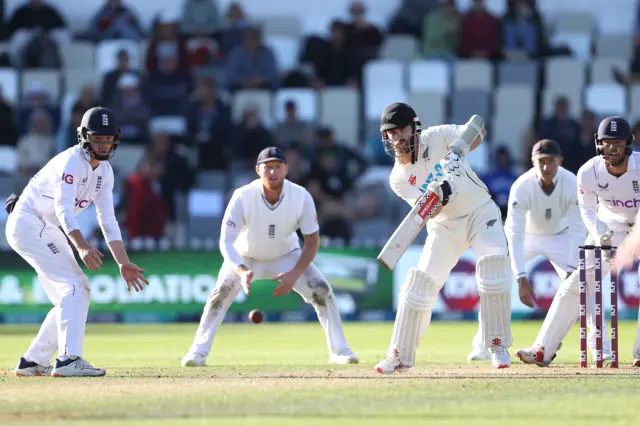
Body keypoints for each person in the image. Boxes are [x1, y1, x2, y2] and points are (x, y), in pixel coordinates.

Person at [181, 147, 359, 367]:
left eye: (277, 167)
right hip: (246, 257)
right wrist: (241, 270)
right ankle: (197, 352)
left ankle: (340, 351)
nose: (272, 173)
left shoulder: (301, 196)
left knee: (322, 290)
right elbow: (225, 241)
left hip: (287, 256)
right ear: (258, 170)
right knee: (219, 294)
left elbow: (312, 242)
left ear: (286, 169)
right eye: (267, 168)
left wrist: (294, 275)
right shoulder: (243, 196)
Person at [5, 107, 148, 377]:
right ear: (84, 137)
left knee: (68, 297)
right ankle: (68, 359)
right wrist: (82, 246)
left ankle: (33, 361)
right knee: (76, 287)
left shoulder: (105, 172)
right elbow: (63, 209)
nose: (103, 144)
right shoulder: (72, 162)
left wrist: (123, 262)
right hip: (29, 222)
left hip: (42, 227)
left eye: (108, 139)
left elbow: (107, 220)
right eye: (97, 138)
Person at [374, 103, 514, 374]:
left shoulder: (438, 136)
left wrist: (457, 152)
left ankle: (496, 345)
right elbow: (428, 210)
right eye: (391, 133)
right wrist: (442, 191)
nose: (397, 138)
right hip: (443, 226)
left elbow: (477, 129)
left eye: (401, 130)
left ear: (415, 127)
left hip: (479, 211)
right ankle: (398, 354)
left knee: (493, 267)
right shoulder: (398, 178)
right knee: (418, 286)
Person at [517, 116, 640, 367]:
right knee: (577, 284)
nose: (612, 149)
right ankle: (543, 349)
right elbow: (588, 211)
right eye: (606, 143)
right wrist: (600, 236)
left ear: (629, 144)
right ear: (598, 144)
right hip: (610, 227)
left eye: (617, 143)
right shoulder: (588, 172)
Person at [478, 139, 590, 365]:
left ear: (561, 161)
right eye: (541, 162)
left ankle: (601, 349)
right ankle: (483, 344)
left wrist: (570, 271)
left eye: (551, 162)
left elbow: (579, 229)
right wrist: (521, 277)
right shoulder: (522, 185)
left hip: (562, 236)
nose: (547, 167)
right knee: (496, 280)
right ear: (532, 162)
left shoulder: (572, 182)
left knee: (583, 288)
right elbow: (515, 235)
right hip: (528, 236)